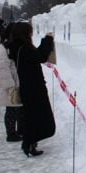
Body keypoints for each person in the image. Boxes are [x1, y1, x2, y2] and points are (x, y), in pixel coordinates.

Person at [8, 22, 55, 157]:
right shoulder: (24, 48)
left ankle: (30, 142)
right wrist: (48, 40)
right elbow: (40, 57)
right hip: (33, 88)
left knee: (32, 116)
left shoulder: (17, 46)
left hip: (28, 87)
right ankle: (29, 143)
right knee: (38, 117)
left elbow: (36, 55)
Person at [0, 22, 25, 142]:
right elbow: (3, 68)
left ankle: (19, 131)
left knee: (17, 108)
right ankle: (11, 134)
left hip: (15, 81)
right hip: (10, 84)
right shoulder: (3, 48)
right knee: (11, 109)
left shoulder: (9, 45)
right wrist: (11, 86)